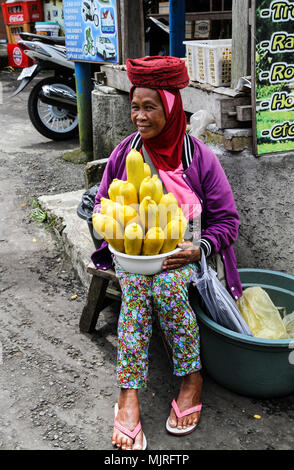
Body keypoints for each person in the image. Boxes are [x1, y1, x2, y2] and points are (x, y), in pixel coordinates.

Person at [91, 56, 242, 450]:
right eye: (134, 107)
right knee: (140, 290)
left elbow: (227, 222)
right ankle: (128, 394)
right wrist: (114, 233)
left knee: (169, 288)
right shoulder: (126, 154)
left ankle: (191, 378)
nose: (139, 117)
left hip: (186, 255)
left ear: (171, 107)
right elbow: (101, 205)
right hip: (133, 257)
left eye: (149, 107)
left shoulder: (199, 159)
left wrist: (198, 248)